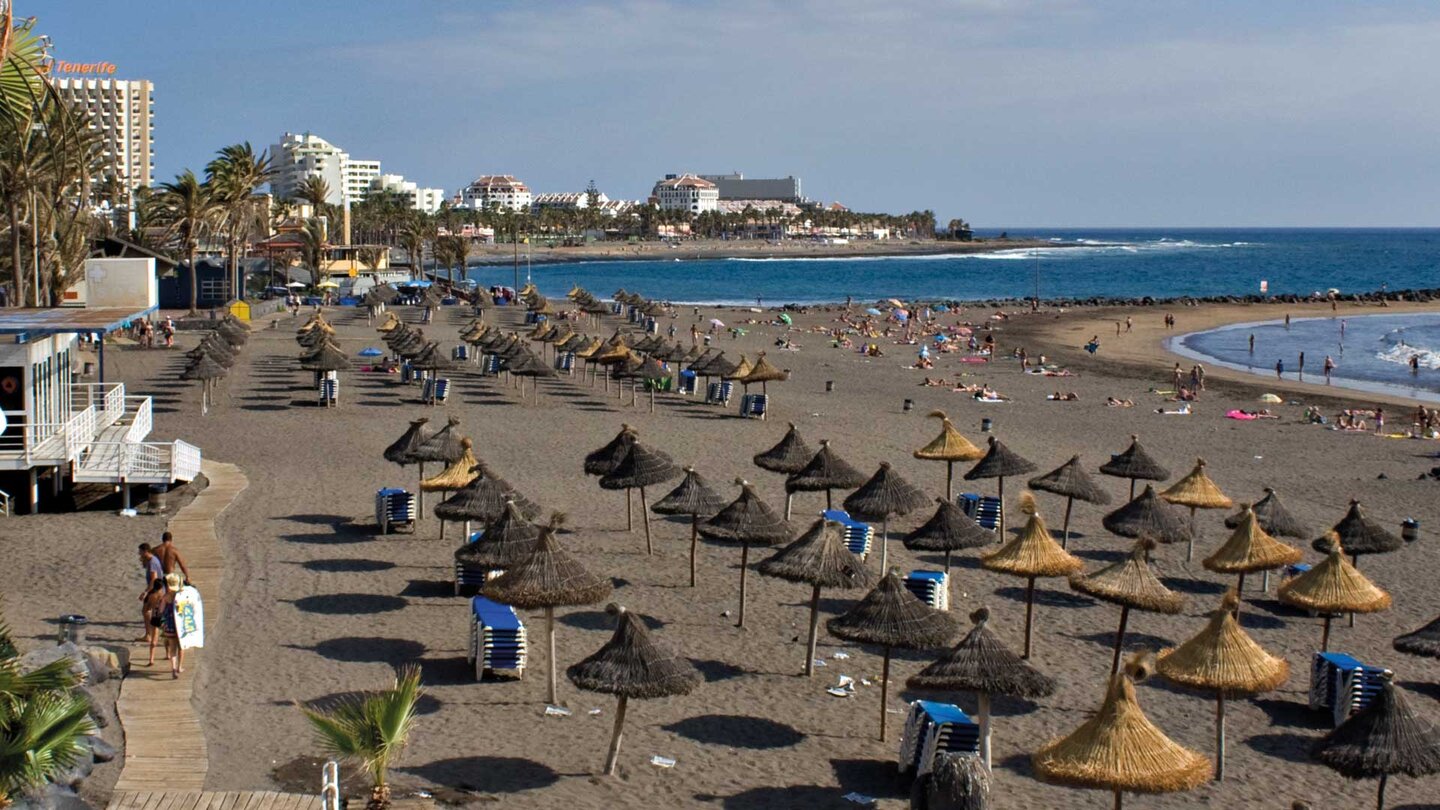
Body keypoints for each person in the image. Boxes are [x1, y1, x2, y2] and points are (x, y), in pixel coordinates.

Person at [137, 543, 164, 640]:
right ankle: (149, 634)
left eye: (140, 552)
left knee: (151, 612)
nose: (139, 554)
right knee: (147, 611)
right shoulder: (151, 560)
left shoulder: (152, 562)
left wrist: (145, 592)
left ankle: (151, 635)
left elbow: (154, 579)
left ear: (145, 551)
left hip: (155, 591)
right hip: (156, 590)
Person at [160, 573, 184, 678]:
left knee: (172, 649)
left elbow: (160, 611)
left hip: (170, 626)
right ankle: (180, 667)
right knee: (181, 647)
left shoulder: (166, 597)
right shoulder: (181, 596)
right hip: (180, 626)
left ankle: (173, 669)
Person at [142, 578, 166, 666]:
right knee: (166, 636)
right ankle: (168, 654)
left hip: (155, 617)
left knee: (154, 639)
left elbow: (146, 609)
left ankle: (151, 659)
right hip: (163, 617)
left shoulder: (151, 595)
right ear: (162, 587)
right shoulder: (164, 595)